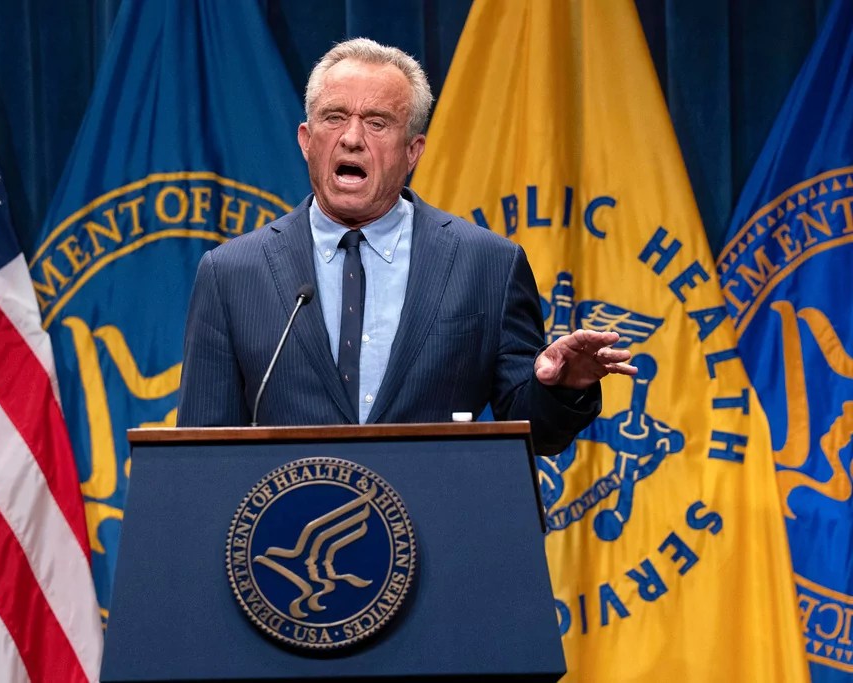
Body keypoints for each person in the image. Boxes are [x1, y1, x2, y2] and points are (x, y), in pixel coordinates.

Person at [176, 38, 635, 455]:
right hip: (285, 538)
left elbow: (538, 433)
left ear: (413, 151)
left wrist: (561, 387)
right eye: (334, 118)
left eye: (377, 123)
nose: (352, 138)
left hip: (439, 536)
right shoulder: (231, 273)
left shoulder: (488, 265)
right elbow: (199, 453)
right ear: (306, 140)